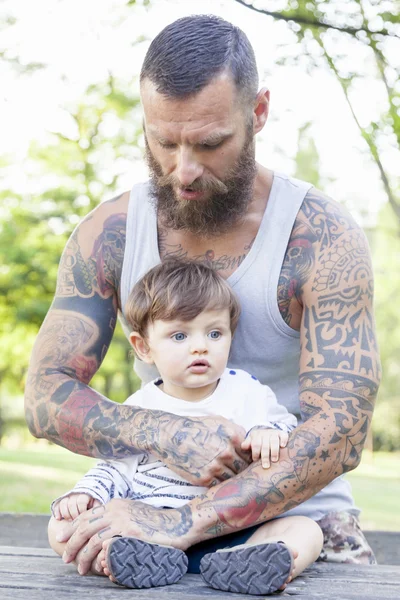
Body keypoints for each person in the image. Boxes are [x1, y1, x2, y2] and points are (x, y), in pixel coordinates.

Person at [25, 14, 380, 578]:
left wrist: (188, 520)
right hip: (150, 506)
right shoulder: (108, 233)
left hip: (294, 513)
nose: (182, 171)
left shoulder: (321, 237)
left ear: (257, 113)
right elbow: (44, 395)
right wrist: (164, 432)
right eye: (163, 141)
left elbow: (342, 432)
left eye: (210, 143)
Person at [48, 260, 323, 594]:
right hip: (147, 529)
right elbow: (116, 468)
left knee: (307, 529)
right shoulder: (139, 407)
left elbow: (283, 428)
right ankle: (125, 558)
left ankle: (248, 563)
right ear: (144, 348)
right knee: (59, 527)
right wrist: (86, 493)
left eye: (214, 333)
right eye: (179, 335)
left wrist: (269, 433)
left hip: (230, 529)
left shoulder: (247, 391)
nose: (200, 346)